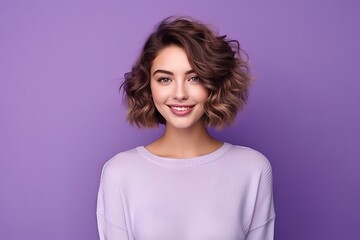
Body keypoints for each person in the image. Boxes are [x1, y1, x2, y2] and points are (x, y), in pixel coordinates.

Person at [96, 16, 275, 240]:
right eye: (164, 79)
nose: (180, 93)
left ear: (213, 83)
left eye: (194, 78)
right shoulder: (120, 172)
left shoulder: (252, 169)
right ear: (148, 86)